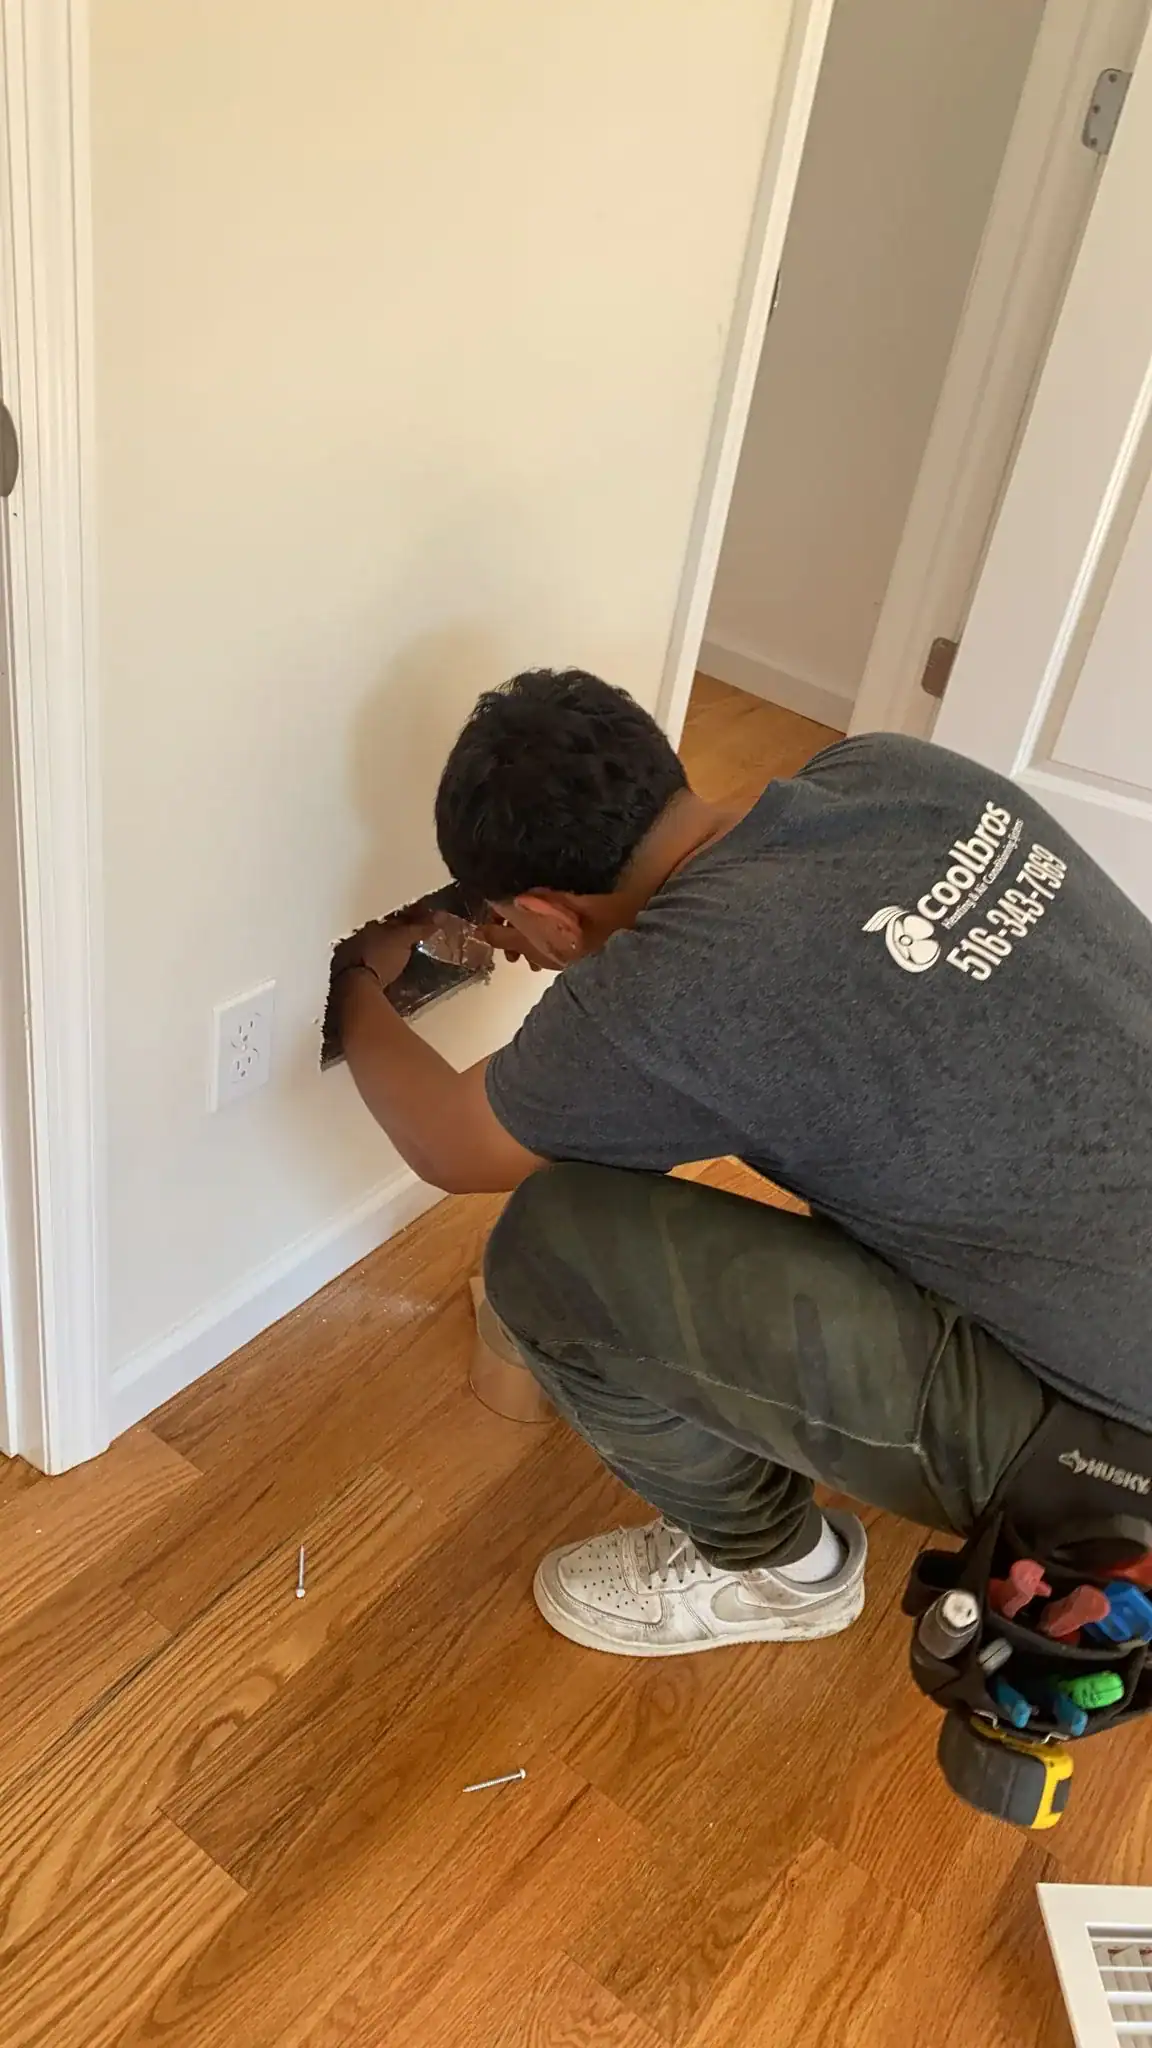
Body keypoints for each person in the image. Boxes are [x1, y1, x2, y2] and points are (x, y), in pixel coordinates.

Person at [336, 668, 1152, 1659]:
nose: (515, 945)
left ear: (552, 914)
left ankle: (776, 1570)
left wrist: (357, 985)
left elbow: (447, 1142)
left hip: (1124, 1442)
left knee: (553, 1246)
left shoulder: (679, 986)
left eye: (510, 924)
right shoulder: (892, 770)